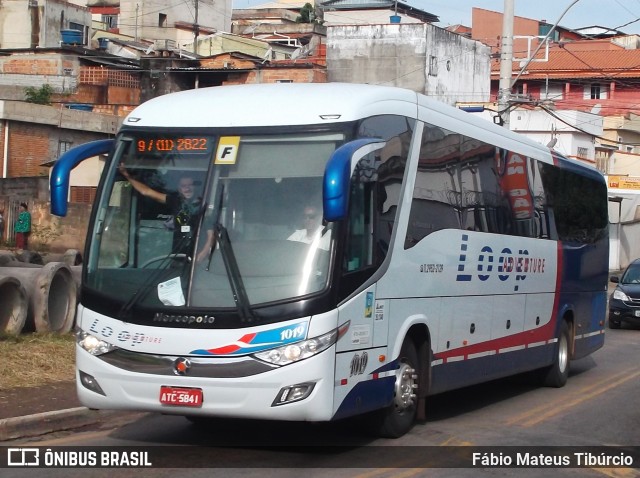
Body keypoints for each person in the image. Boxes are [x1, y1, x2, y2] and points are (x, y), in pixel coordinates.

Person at [119, 165, 204, 257]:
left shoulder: (203, 205)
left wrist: (199, 258)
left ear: (195, 187)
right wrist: (127, 175)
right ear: (179, 189)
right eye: (184, 186)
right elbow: (146, 192)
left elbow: (210, 236)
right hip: (177, 256)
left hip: (197, 258)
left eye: (190, 185)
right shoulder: (175, 201)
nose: (187, 189)